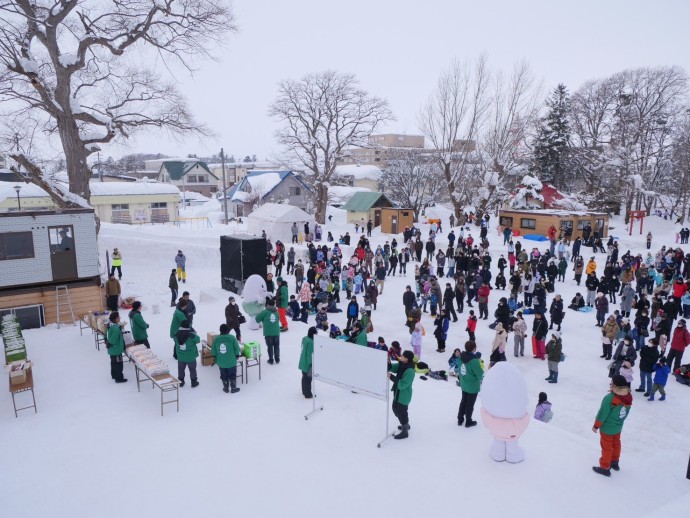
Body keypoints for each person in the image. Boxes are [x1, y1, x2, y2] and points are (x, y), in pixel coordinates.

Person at [591, 374, 633, 477]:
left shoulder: (610, 398)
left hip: (607, 428)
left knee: (607, 447)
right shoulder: (628, 396)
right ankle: (615, 462)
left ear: (615, 385)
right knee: (616, 444)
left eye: (612, 383)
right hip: (618, 427)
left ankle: (605, 467)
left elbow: (602, 414)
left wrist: (596, 426)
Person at [389, 350, 416, 439]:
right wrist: (389, 364)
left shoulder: (410, 371)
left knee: (401, 412)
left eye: (403, 356)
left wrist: (392, 377)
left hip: (404, 395)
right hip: (397, 393)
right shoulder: (402, 364)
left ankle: (405, 431)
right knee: (395, 409)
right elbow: (394, 367)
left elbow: (402, 385)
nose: (401, 357)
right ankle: (405, 424)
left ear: (407, 359)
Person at [457, 340, 483, 427]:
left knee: (463, 401)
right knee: (470, 404)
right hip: (472, 386)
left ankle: (460, 419)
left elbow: (461, 370)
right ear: (474, 348)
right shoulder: (474, 360)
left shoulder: (461, 357)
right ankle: (468, 421)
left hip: (464, 384)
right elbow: (479, 373)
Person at [210, 324, 242, 393]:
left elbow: (213, 351)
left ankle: (225, 388)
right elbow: (237, 349)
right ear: (228, 330)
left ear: (220, 330)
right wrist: (237, 355)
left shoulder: (216, 339)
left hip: (221, 362)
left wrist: (215, 358)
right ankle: (233, 388)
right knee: (232, 374)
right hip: (231, 361)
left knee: (223, 375)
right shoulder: (232, 337)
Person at [174, 319, 200, 388]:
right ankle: (194, 382)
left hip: (180, 356)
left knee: (181, 369)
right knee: (192, 369)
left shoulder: (176, 334)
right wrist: (194, 333)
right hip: (190, 357)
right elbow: (198, 340)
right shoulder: (191, 335)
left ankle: (181, 381)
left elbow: (174, 339)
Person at [255, 298, 281, 364]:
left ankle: (271, 360)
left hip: (268, 333)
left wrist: (259, 313)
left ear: (267, 305)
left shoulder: (264, 312)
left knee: (270, 347)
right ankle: (277, 359)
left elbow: (257, 319)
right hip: (276, 332)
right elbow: (278, 319)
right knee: (276, 346)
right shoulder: (277, 312)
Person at [105, 312, 127, 383]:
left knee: (113, 362)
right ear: (116, 318)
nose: (120, 318)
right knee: (118, 364)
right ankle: (119, 378)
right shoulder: (115, 328)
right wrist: (110, 343)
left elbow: (107, 335)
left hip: (112, 350)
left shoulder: (110, 325)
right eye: (119, 317)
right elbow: (113, 339)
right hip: (116, 349)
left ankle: (114, 375)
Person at [299, 327, 317, 399]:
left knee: (304, 377)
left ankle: (304, 391)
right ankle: (308, 394)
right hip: (308, 364)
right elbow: (310, 355)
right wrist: (312, 364)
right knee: (308, 378)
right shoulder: (311, 343)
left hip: (302, 361)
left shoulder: (305, 339)